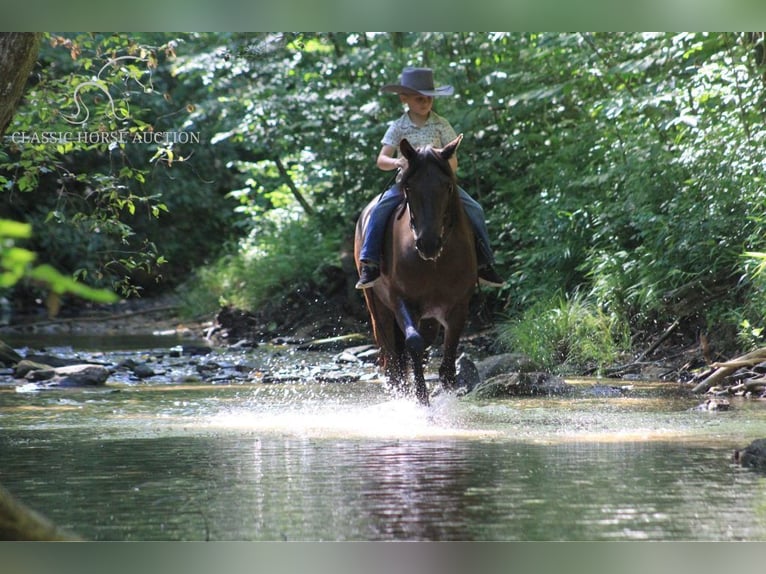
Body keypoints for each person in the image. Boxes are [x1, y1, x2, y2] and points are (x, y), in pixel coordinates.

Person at [356, 67, 505, 289]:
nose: (425, 102)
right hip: (407, 184)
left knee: (474, 208)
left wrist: (445, 169)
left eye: (428, 98)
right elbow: (382, 159)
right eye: (419, 98)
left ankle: (484, 263)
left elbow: (452, 157)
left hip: (438, 184)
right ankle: (370, 263)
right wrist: (398, 163)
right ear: (404, 98)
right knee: (379, 209)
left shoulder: (441, 124)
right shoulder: (398, 127)